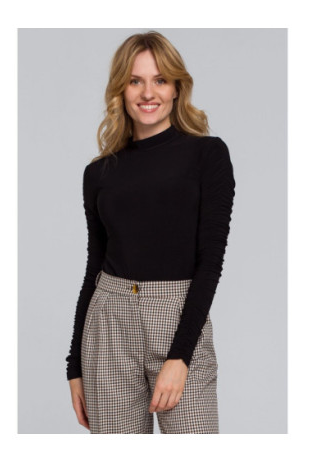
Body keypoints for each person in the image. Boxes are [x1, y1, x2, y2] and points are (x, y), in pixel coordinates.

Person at [65, 31, 236, 434]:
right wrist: (74, 365)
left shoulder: (207, 155)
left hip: (178, 317)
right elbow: (94, 266)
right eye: (135, 80)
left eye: (160, 80)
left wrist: (181, 356)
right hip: (109, 325)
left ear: (177, 87)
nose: (148, 92)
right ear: (121, 90)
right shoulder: (98, 173)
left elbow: (210, 262)